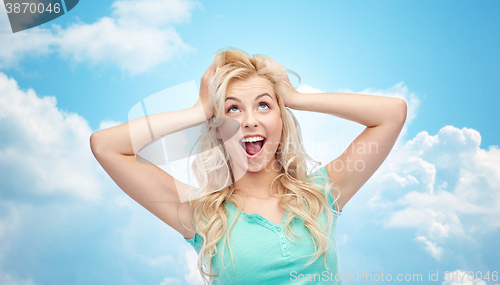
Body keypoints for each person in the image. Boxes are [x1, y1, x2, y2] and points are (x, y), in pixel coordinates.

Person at [90, 48, 407, 284]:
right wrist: (199, 110)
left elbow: (391, 114)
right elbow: (107, 147)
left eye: (264, 105)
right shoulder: (204, 216)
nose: (250, 120)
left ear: (281, 119)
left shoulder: (321, 193)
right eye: (233, 109)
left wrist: (295, 98)